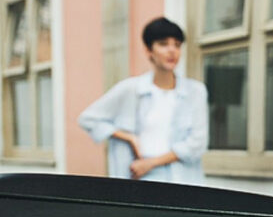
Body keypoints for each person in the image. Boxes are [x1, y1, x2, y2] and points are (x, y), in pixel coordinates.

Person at [78, 17, 208, 183]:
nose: (172, 50)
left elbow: (196, 144)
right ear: (148, 50)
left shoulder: (195, 91)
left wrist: (150, 163)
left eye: (177, 44)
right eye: (163, 44)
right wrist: (127, 137)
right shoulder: (130, 89)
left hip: (183, 181)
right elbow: (87, 118)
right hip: (139, 180)